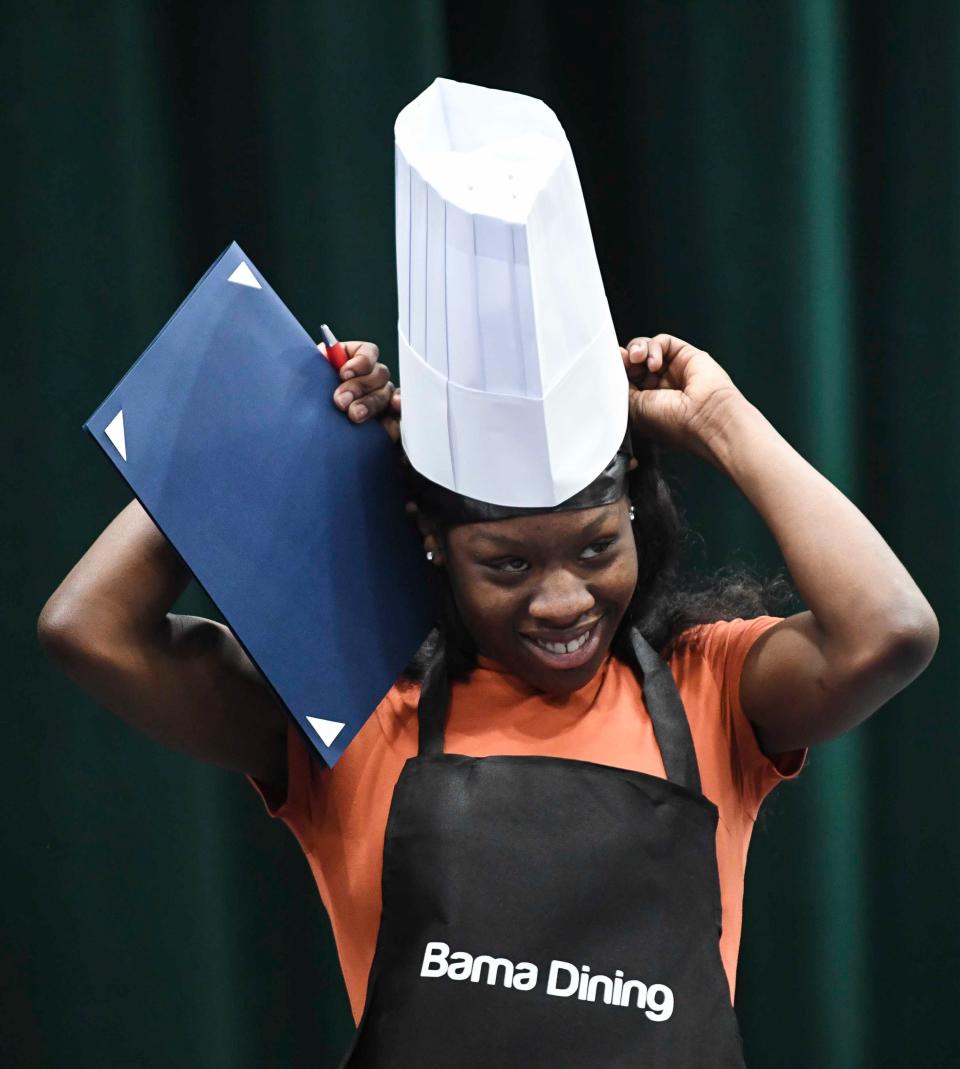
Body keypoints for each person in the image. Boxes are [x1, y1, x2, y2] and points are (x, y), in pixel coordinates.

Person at [39, 332, 937, 1064]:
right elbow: (90, 628)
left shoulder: (713, 689)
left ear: (635, 513)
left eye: (595, 547)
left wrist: (719, 419)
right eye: (508, 562)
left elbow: (890, 631)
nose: (563, 600)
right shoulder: (354, 711)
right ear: (432, 540)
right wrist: (280, 442)